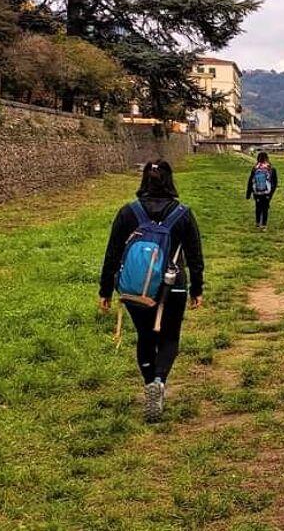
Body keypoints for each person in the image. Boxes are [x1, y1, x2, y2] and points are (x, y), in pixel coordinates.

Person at [99, 160, 204, 422]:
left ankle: (149, 383)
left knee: (146, 336)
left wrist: (105, 290)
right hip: (174, 286)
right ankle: (160, 380)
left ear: (144, 180)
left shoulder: (128, 212)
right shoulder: (182, 213)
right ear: (170, 181)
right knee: (169, 337)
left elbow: (112, 254)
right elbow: (194, 255)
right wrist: (197, 289)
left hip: (136, 290)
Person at [245, 152, 278, 229]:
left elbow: (250, 181)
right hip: (267, 192)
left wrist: (248, 193)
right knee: (265, 208)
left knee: (258, 207)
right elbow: (275, 182)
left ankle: (257, 223)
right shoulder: (271, 168)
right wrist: (271, 192)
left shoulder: (255, 168)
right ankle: (264, 224)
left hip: (257, 192)